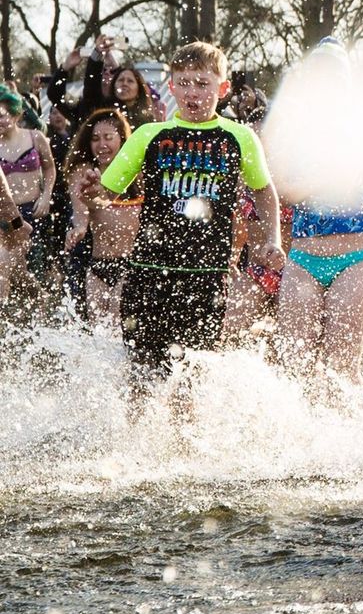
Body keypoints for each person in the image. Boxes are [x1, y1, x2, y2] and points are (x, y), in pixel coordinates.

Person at [95, 42, 284, 417]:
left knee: (191, 375)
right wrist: (90, 196)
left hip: (208, 276)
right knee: (142, 373)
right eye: (184, 83)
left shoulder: (240, 138)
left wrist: (273, 239)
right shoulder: (148, 135)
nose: (193, 92)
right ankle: (135, 451)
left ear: (222, 89)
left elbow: (265, 191)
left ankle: (184, 454)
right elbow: (108, 189)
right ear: (172, 86)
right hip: (148, 273)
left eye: (202, 83)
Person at [263, 42, 363, 388]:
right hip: (304, 259)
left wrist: (315, 180)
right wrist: (325, 177)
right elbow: (284, 189)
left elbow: (351, 181)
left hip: (357, 257)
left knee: (341, 368)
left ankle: (354, 440)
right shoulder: (289, 127)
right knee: (293, 367)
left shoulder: (362, 123)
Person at [62, 108, 138, 327]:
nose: (101, 144)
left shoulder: (136, 173)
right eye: (95, 139)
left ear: (122, 139)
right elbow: (80, 212)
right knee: (98, 331)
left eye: (108, 137)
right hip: (98, 264)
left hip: (129, 265)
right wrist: (78, 229)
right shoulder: (84, 171)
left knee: (116, 325)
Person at [0, 87, 56, 303]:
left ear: (15, 115)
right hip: (8, 215)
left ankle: (39, 303)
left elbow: (50, 168)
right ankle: (8, 310)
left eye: (2, 116)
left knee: (32, 264)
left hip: (33, 208)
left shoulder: (35, 137)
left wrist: (46, 196)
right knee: (8, 263)